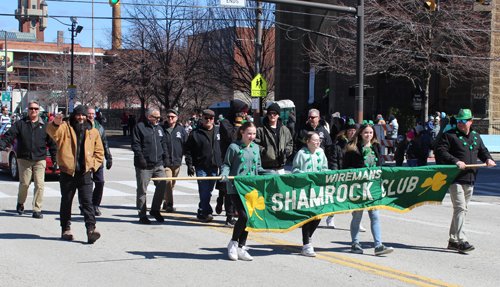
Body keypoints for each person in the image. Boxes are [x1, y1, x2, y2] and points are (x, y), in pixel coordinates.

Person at [435, 108, 496, 253]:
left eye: (463, 121)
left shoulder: (475, 136)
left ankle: (452, 240)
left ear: (471, 121)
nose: (460, 124)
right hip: (455, 178)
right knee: (461, 207)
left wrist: (488, 159)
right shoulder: (449, 135)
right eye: (458, 121)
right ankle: (462, 240)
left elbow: (482, 151)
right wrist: (455, 161)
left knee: (461, 210)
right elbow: (440, 151)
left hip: (470, 177)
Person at [47, 105, 104, 243]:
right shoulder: (65, 128)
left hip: (85, 173)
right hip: (68, 173)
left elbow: (99, 152)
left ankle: (91, 230)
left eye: (83, 115)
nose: (81, 117)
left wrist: (93, 166)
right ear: (74, 116)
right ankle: (65, 229)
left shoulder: (93, 131)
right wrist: (56, 122)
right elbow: (51, 131)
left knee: (87, 203)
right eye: (78, 115)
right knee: (66, 202)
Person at [220, 121, 275, 261]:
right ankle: (233, 243)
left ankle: (241, 247)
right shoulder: (234, 147)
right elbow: (226, 164)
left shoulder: (256, 147)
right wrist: (224, 174)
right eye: (249, 133)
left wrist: (272, 174)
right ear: (242, 132)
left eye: (254, 134)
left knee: (249, 217)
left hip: (251, 188)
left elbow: (259, 169)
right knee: (243, 216)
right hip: (236, 187)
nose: (252, 136)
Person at [343, 121, 394, 256]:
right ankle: (355, 243)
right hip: (359, 187)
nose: (368, 135)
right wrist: (359, 173)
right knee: (357, 216)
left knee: (375, 216)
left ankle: (378, 245)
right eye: (366, 132)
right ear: (360, 133)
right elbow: (345, 168)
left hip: (373, 187)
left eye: (371, 132)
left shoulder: (376, 146)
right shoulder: (352, 148)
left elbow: (380, 166)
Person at [0, 100, 57, 219]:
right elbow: (9, 135)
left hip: (40, 159)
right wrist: (2, 144)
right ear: (28, 110)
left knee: (40, 184)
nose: (33, 111)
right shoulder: (20, 124)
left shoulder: (45, 125)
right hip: (24, 159)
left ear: (39, 111)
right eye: (31, 108)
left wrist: (55, 159)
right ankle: (20, 202)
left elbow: (52, 143)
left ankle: (37, 209)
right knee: (25, 183)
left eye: (36, 109)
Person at [291, 131, 329, 257]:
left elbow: (324, 167)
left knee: (318, 216)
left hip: (318, 189)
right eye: (315, 140)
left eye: (319, 140)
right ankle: (306, 245)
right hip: (305, 190)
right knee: (308, 217)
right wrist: (304, 175)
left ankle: (309, 237)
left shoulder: (321, 152)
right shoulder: (301, 154)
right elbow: (295, 169)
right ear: (308, 142)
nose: (318, 142)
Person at [131, 108, 170, 224]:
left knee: (163, 185)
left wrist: (166, 157)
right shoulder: (139, 128)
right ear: (149, 117)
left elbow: (163, 143)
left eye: (159, 118)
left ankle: (155, 209)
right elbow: (136, 145)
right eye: (156, 118)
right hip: (144, 165)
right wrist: (141, 159)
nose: (159, 119)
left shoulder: (159, 128)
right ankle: (142, 214)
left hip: (158, 164)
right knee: (142, 189)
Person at [326, 119, 365, 232]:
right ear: (346, 131)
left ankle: (357, 222)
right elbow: (333, 159)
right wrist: (335, 172)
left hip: (353, 174)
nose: (352, 132)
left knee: (354, 199)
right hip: (340, 173)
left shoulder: (357, 144)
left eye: (354, 130)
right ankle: (331, 217)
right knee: (337, 198)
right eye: (350, 130)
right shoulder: (338, 144)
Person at [185, 109, 222, 222]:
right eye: (206, 118)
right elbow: (188, 151)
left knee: (209, 190)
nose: (208, 120)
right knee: (204, 189)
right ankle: (207, 212)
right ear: (202, 118)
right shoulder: (195, 133)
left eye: (210, 118)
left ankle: (201, 209)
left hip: (214, 166)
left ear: (214, 120)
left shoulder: (218, 131)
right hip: (201, 166)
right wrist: (190, 165)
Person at [218, 100, 248, 226]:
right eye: (243, 113)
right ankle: (229, 216)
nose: (245, 115)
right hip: (228, 160)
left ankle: (238, 212)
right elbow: (233, 138)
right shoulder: (225, 123)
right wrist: (238, 124)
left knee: (239, 188)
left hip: (241, 159)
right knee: (228, 190)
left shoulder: (244, 123)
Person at [86, 106, 112, 216]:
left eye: (93, 114)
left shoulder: (100, 127)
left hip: (98, 159)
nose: (91, 116)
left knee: (100, 182)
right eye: (89, 113)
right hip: (85, 160)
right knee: (86, 184)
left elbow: (104, 143)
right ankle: (85, 205)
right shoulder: (82, 127)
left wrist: (108, 157)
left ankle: (95, 205)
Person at [255, 103, 293, 175]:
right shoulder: (260, 130)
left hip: (281, 167)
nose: (272, 115)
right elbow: (255, 144)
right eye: (270, 113)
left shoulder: (285, 130)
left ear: (278, 114)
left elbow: (290, 143)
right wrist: (264, 151)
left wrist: (287, 150)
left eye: (274, 113)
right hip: (266, 167)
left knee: (280, 186)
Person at [162, 109, 188, 212]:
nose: (170, 118)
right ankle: (170, 204)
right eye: (168, 116)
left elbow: (185, 144)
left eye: (172, 116)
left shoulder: (180, 130)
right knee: (168, 182)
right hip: (165, 161)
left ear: (177, 118)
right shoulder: (161, 129)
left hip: (177, 161)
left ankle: (165, 201)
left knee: (172, 183)